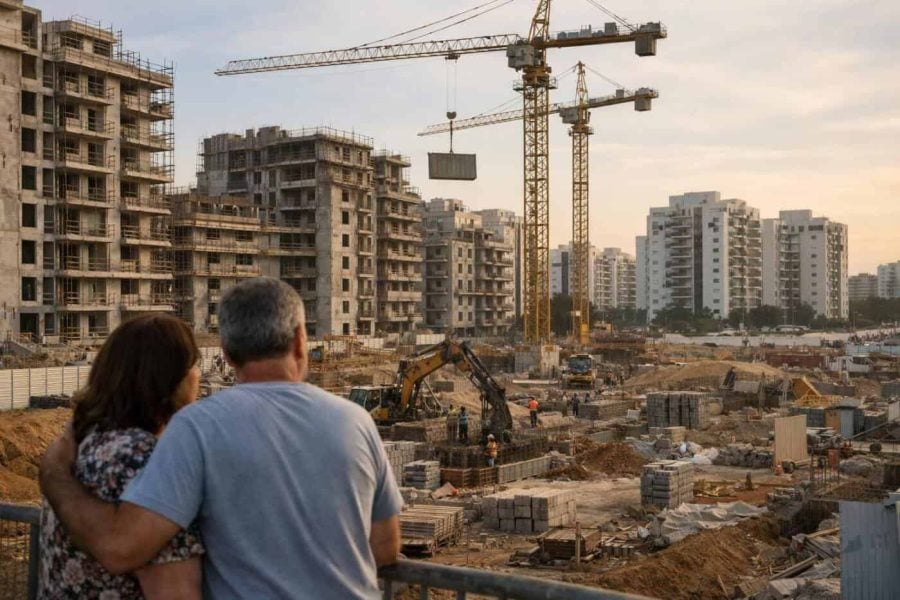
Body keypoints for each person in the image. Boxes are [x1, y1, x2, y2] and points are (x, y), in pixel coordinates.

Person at [41, 278, 402, 599]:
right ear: (299, 340)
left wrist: (55, 474)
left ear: (227, 353)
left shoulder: (196, 427)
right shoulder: (357, 420)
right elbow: (385, 547)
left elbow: (121, 546)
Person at [40, 314, 205, 600]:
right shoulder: (143, 460)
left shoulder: (86, 446)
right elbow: (174, 591)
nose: (198, 376)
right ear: (171, 379)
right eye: (194, 365)